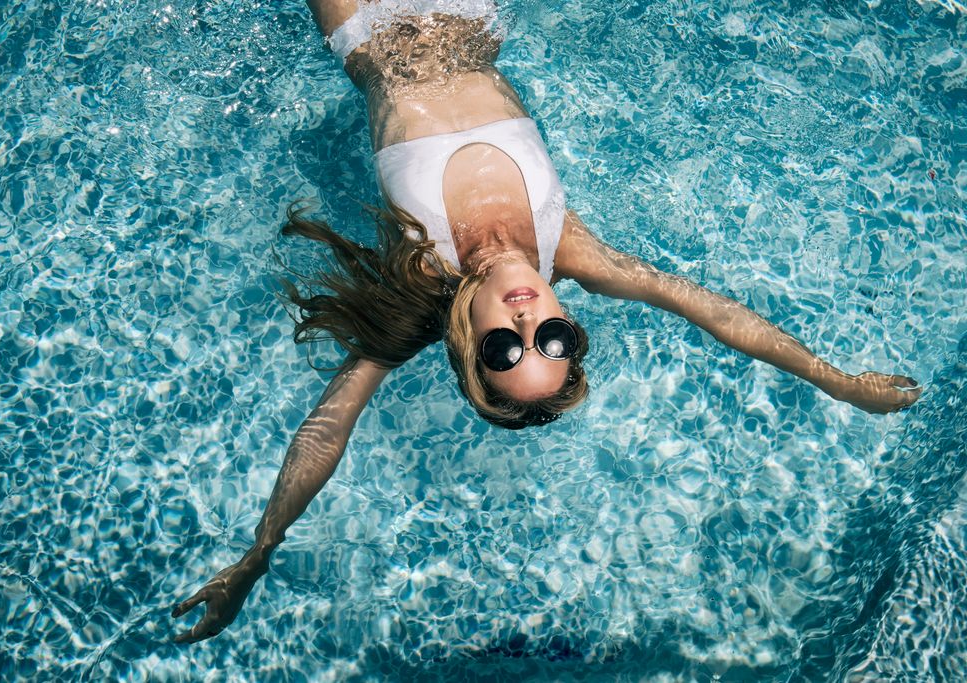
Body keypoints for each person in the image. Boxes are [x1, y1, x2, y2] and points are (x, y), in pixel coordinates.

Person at [171, 0, 922, 643]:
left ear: (471, 348)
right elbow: (712, 311)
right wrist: (839, 383)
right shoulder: (571, 247)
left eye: (507, 347)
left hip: (366, 21)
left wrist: (256, 557)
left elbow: (324, 431)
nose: (529, 319)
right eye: (554, 341)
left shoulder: (424, 276)